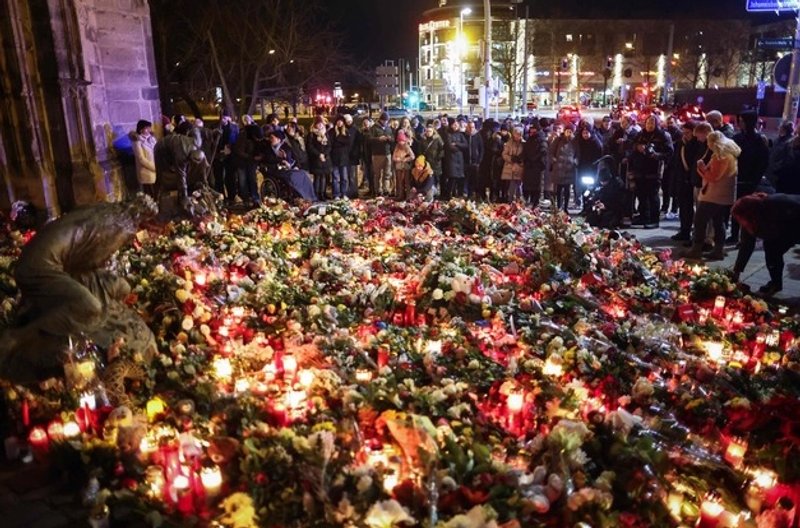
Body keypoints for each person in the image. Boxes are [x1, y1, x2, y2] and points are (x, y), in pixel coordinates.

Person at [0, 194, 158, 382]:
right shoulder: (119, 225)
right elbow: (91, 261)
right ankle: (21, 337)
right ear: (139, 215)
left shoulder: (106, 210)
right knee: (90, 307)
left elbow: (82, 258)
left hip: (48, 262)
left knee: (116, 287)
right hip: (39, 268)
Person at [685, 131, 740, 260]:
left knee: (700, 220)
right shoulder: (730, 155)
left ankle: (696, 249)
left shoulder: (720, 157)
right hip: (724, 195)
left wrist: (702, 168)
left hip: (714, 194)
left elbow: (713, 177)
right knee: (718, 221)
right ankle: (718, 250)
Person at [732, 192, 800, 296]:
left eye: (741, 220)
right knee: (772, 250)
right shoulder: (750, 217)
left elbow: (786, 234)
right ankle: (776, 283)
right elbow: (746, 244)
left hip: (794, 220)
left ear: (749, 214)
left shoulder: (775, 206)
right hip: (783, 226)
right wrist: (736, 271)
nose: (741, 223)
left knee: (772, 249)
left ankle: (775, 284)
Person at [730, 111, 770, 243]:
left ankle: (745, 238)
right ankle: (734, 234)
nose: (740, 123)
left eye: (742, 120)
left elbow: (763, 162)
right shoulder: (737, 138)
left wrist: (755, 179)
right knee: (736, 208)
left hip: (750, 181)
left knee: (748, 210)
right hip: (737, 177)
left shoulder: (759, 140)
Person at [629, 115, 673, 228]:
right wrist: (637, 148)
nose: (649, 125)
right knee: (641, 195)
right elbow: (632, 146)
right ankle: (644, 216)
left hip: (654, 170)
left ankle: (654, 219)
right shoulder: (640, 134)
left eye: (652, 123)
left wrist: (656, 155)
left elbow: (669, 153)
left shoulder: (663, 135)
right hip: (640, 169)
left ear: (656, 124)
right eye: (648, 123)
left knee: (653, 196)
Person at [670, 121, 700, 242]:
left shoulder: (697, 144)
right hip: (680, 178)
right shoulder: (680, 143)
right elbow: (676, 161)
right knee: (683, 206)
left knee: (691, 208)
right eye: (684, 132)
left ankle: (691, 232)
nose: (685, 134)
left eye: (688, 132)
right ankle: (684, 230)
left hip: (691, 179)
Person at [232, 122, 263, 208]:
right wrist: (251, 157)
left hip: (251, 161)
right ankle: (245, 198)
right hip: (242, 161)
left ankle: (254, 197)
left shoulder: (255, 136)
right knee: (243, 180)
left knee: (252, 179)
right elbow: (239, 151)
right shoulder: (243, 137)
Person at [213, 111, 239, 204]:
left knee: (230, 177)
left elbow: (237, 140)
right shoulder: (216, 127)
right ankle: (221, 196)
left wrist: (231, 148)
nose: (223, 120)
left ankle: (232, 196)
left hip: (230, 155)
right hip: (218, 155)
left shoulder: (234, 128)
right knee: (218, 177)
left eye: (225, 117)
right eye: (222, 118)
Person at [550, 123, 577, 212]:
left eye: (570, 132)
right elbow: (551, 152)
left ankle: (565, 207)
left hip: (569, 169)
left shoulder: (575, 142)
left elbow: (578, 154)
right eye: (567, 131)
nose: (569, 133)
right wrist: (554, 160)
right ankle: (558, 206)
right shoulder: (558, 140)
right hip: (559, 168)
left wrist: (575, 161)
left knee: (567, 189)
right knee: (558, 189)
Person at [575, 125, 604, 206]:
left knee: (591, 189)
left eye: (587, 133)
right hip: (582, 169)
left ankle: (590, 207)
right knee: (584, 189)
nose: (585, 135)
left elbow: (599, 157)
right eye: (583, 133)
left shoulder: (595, 143)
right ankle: (585, 206)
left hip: (592, 171)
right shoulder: (580, 141)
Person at [129, 119, 157, 198]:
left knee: (157, 194)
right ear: (141, 129)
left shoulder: (152, 139)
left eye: (149, 128)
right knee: (150, 195)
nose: (149, 130)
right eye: (146, 128)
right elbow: (141, 159)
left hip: (156, 170)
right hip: (147, 172)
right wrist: (154, 167)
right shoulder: (137, 142)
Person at [522, 119, 548, 204]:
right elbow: (525, 150)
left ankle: (535, 203)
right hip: (528, 166)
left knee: (535, 187)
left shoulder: (541, 139)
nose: (532, 130)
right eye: (531, 129)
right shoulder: (529, 138)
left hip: (536, 166)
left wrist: (534, 159)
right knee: (526, 186)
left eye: (534, 129)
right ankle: (526, 201)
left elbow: (543, 151)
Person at [368, 112, 394, 196]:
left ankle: (386, 189)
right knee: (377, 174)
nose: (385, 122)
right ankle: (377, 190)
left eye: (387, 120)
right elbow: (369, 139)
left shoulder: (388, 128)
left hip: (387, 153)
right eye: (384, 120)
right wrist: (378, 139)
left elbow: (393, 139)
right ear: (381, 120)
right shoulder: (374, 128)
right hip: (377, 154)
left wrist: (390, 139)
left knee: (387, 173)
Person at [441, 118, 468, 199]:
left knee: (459, 178)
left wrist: (456, 144)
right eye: (454, 125)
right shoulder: (448, 134)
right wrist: (459, 148)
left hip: (459, 160)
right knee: (452, 177)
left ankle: (458, 195)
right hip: (451, 159)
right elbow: (449, 147)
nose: (456, 126)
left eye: (457, 125)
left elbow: (465, 145)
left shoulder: (460, 134)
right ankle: (449, 195)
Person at [308, 119, 333, 200]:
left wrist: (324, 154)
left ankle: (323, 193)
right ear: (315, 125)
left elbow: (329, 146)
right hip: (316, 159)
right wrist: (319, 154)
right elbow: (310, 146)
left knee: (324, 177)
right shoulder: (312, 134)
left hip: (325, 159)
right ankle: (316, 194)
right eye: (318, 124)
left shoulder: (326, 134)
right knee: (317, 177)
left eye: (321, 124)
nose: (320, 126)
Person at [329, 116, 352, 199]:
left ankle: (344, 193)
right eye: (338, 121)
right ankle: (336, 194)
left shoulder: (346, 131)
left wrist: (339, 139)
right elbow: (331, 144)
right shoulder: (331, 132)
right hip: (334, 157)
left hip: (344, 158)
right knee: (335, 178)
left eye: (341, 121)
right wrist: (341, 141)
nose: (339, 123)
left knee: (344, 178)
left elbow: (348, 143)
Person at [419, 122, 444, 197]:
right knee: (428, 179)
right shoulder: (423, 140)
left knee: (436, 179)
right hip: (427, 163)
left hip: (436, 163)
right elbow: (420, 151)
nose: (428, 133)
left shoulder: (437, 139)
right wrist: (422, 160)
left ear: (433, 131)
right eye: (427, 131)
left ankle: (435, 194)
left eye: (430, 131)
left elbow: (442, 149)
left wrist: (439, 157)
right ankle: (429, 194)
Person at [501, 126, 525, 201]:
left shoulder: (524, 144)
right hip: (510, 167)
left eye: (519, 134)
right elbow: (504, 154)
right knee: (511, 184)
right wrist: (511, 159)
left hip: (519, 167)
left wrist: (520, 161)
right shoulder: (509, 143)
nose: (517, 136)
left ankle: (519, 200)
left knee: (519, 185)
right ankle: (510, 200)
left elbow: (526, 155)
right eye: (515, 134)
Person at [392, 131, 415, 200]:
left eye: (401, 141)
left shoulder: (407, 147)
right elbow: (393, 157)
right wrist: (397, 159)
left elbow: (412, 156)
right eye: (399, 141)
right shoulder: (397, 147)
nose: (400, 142)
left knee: (407, 181)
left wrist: (405, 159)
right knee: (399, 181)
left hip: (406, 167)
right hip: (398, 166)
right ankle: (400, 195)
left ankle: (408, 196)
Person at [464, 119, 483, 199]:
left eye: (473, 127)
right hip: (466, 162)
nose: (471, 129)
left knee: (475, 180)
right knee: (466, 179)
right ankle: (468, 194)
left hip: (475, 162)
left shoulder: (477, 135)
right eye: (470, 127)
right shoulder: (464, 135)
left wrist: (479, 161)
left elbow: (481, 149)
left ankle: (476, 194)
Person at [344, 114, 360, 198]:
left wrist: (355, 153)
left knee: (352, 176)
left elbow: (357, 143)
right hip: (344, 156)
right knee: (346, 175)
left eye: (350, 121)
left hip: (353, 156)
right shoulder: (343, 130)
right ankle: (347, 192)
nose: (348, 123)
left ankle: (354, 192)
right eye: (347, 121)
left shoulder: (355, 130)